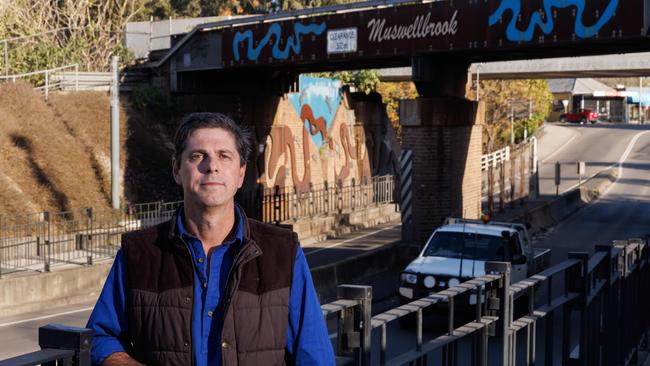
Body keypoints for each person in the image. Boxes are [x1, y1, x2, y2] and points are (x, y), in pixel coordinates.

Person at [86, 112, 335, 366]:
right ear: (177, 170)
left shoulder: (282, 252)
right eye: (197, 156)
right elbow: (98, 338)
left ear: (240, 174)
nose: (211, 165)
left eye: (224, 156)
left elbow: (314, 355)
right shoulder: (140, 252)